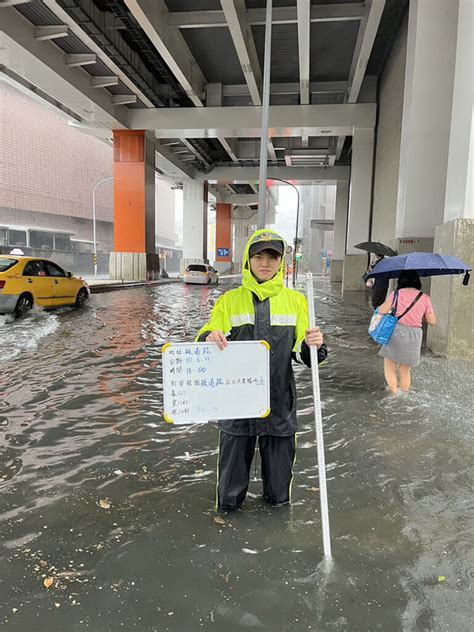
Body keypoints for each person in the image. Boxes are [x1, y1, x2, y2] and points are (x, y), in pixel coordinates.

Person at [196, 229, 328, 511]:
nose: (265, 262)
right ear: (248, 260)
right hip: (236, 407)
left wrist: (313, 345)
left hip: (279, 404)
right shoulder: (229, 301)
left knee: (279, 497)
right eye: (258, 255)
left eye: (272, 256)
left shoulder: (297, 302)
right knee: (228, 497)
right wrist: (208, 337)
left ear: (281, 262)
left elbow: (305, 357)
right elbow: (207, 335)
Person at [378, 270, 436, 394]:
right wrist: (421, 315)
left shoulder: (396, 294)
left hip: (396, 332)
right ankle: (404, 394)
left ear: (401, 280)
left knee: (390, 366)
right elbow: (432, 321)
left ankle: (394, 393)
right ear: (417, 281)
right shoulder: (424, 297)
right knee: (405, 369)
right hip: (414, 335)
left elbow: (382, 311)